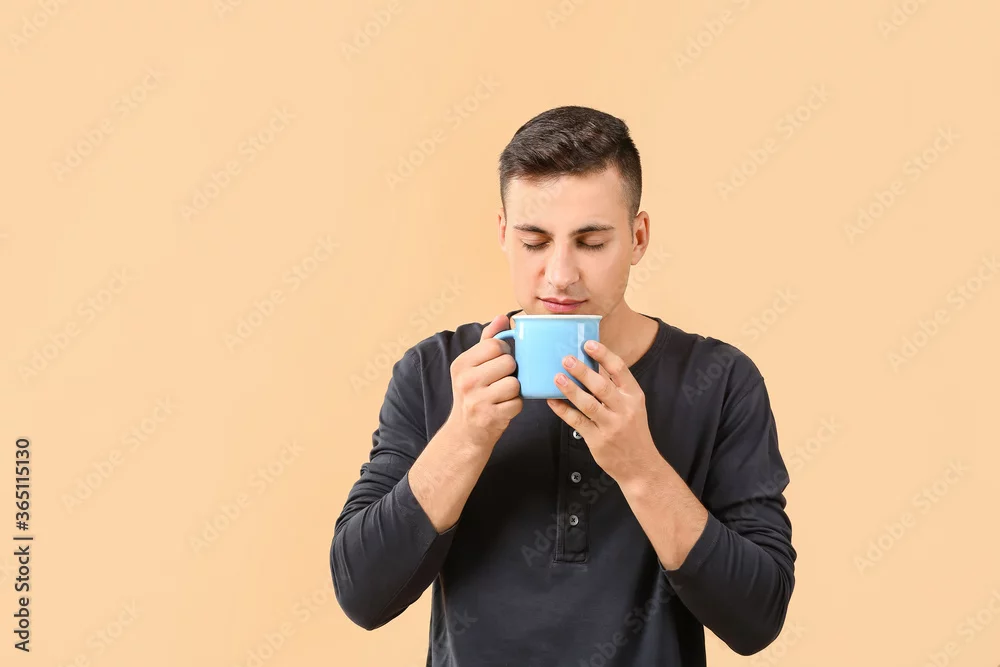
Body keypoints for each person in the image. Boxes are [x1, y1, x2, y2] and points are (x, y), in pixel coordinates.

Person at [331, 105, 796, 666]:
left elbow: (757, 619)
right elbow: (363, 595)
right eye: (534, 242)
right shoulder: (436, 372)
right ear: (503, 235)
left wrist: (640, 468)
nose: (560, 275)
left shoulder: (721, 381)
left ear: (638, 237)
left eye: (591, 242)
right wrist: (464, 439)